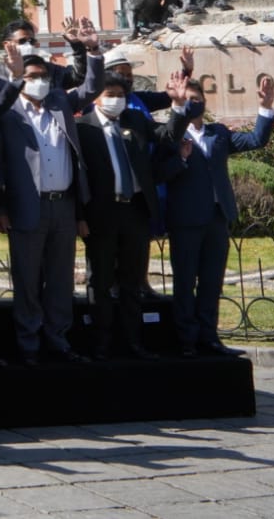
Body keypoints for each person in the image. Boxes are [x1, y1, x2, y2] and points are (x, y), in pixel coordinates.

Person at [0, 42, 103, 366]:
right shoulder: (8, 112)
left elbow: (92, 86)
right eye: (32, 76)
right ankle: (28, 344)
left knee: (60, 278)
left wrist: (91, 50)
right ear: (21, 78)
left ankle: (58, 340)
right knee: (27, 280)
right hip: (27, 207)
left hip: (63, 205)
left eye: (43, 75)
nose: (39, 80)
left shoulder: (59, 102)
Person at [77, 72, 191, 361]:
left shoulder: (135, 121)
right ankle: (101, 344)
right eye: (109, 94)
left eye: (120, 95)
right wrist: (80, 216)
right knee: (100, 281)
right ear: (96, 98)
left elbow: (166, 136)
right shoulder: (82, 128)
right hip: (101, 214)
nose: (115, 100)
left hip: (135, 210)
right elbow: (78, 178)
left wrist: (178, 107)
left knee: (132, 281)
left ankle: (133, 343)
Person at [168, 74, 274, 357]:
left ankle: (209, 337)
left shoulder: (218, 133)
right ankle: (186, 340)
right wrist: (180, 158)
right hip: (186, 219)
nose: (194, 104)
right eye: (188, 100)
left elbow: (255, 140)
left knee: (212, 280)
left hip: (217, 217)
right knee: (185, 281)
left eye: (198, 100)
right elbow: (161, 173)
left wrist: (266, 106)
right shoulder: (171, 135)